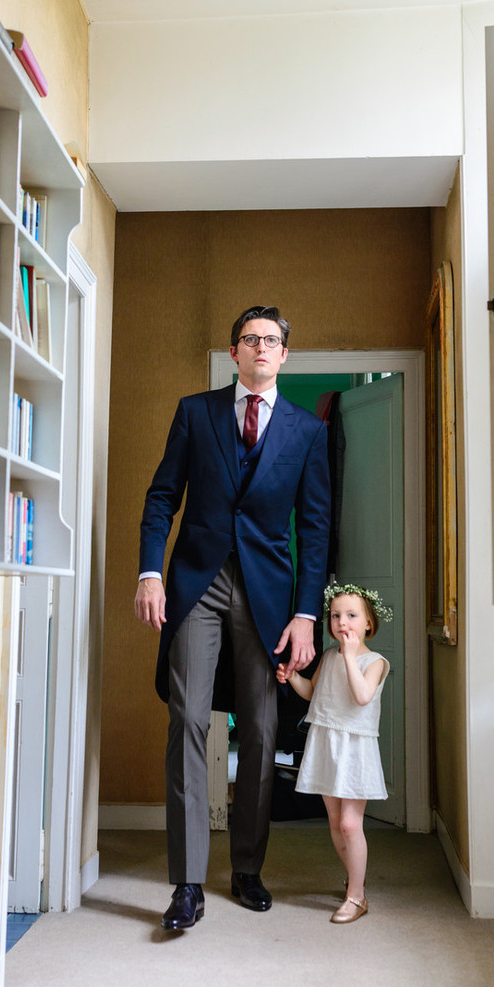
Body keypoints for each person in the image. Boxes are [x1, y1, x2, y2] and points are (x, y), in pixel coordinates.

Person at [134, 305, 331, 930]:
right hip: (199, 586)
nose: (261, 349)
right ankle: (187, 883)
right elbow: (163, 496)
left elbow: (316, 527)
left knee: (265, 731)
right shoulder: (196, 412)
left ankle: (246, 868)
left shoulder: (306, 432)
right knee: (188, 720)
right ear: (235, 351)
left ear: (284, 355)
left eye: (272, 340)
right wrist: (150, 572)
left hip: (271, 600)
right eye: (251, 339)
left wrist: (306, 614)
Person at [276, 581, 392, 923]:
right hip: (325, 743)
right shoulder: (328, 656)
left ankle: (357, 896)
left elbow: (361, 696)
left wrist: (351, 656)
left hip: (355, 748)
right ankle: (353, 879)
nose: (343, 622)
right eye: (336, 615)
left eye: (352, 616)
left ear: (368, 623)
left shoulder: (374, 662)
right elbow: (314, 693)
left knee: (350, 824)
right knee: (334, 823)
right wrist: (292, 676)